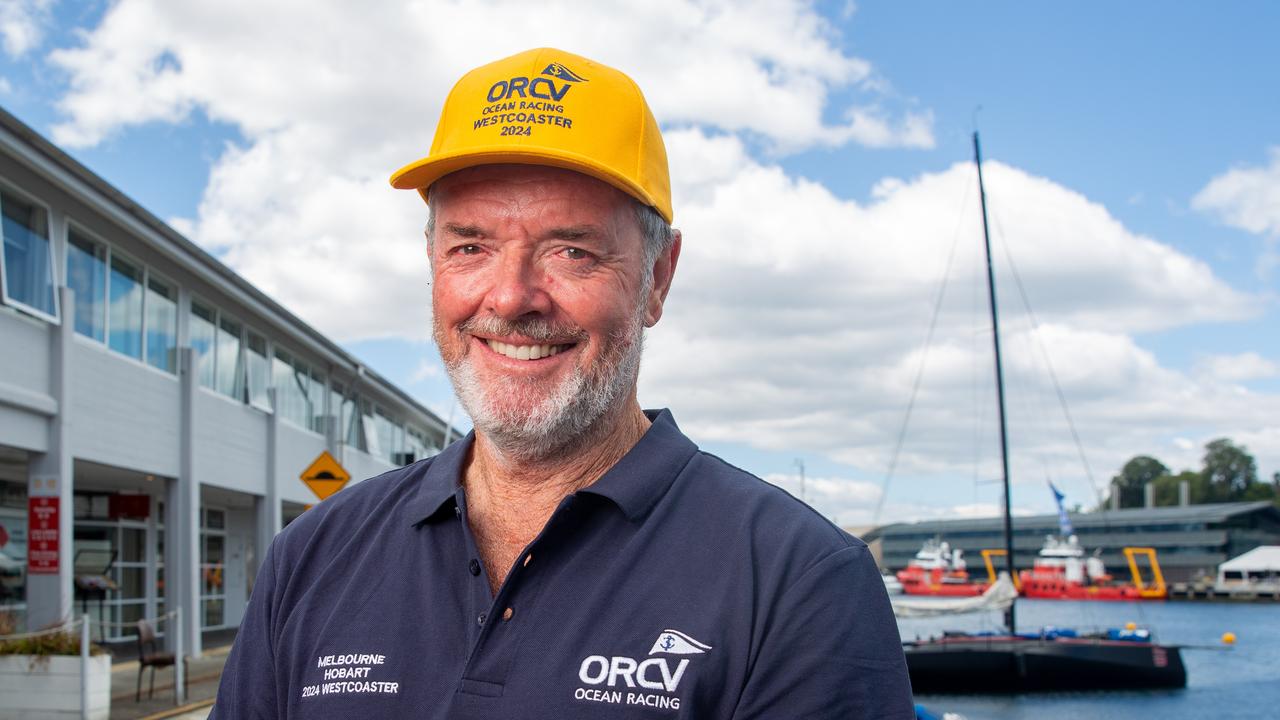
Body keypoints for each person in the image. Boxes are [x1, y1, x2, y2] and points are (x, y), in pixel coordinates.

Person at [212, 47, 913, 719]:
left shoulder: (799, 582)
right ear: (432, 262)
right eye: (471, 247)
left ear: (657, 279)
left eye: (571, 251)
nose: (512, 297)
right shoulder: (314, 557)